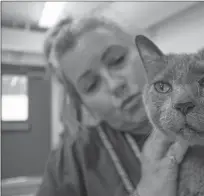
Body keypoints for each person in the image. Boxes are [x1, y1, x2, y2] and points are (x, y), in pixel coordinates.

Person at [36, 15, 188, 196]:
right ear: (86, 107)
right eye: (91, 85)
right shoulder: (72, 161)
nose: (114, 85)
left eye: (117, 60)